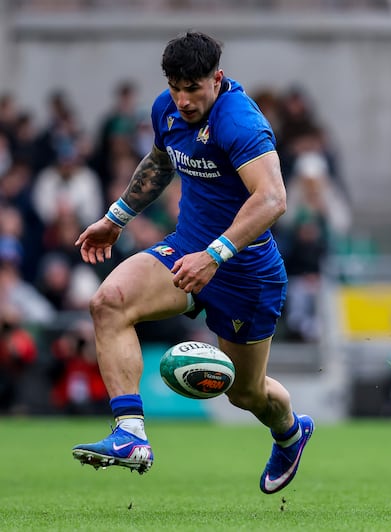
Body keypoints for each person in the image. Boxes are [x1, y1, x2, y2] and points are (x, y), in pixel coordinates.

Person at [70, 31, 314, 495]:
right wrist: (116, 217)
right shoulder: (166, 107)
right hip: (187, 250)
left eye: (193, 88)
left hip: (245, 272)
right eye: (176, 87)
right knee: (109, 303)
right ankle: (131, 435)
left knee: (246, 393)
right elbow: (161, 161)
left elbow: (273, 198)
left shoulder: (239, 121)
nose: (183, 100)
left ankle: (290, 432)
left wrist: (216, 254)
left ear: (217, 79)